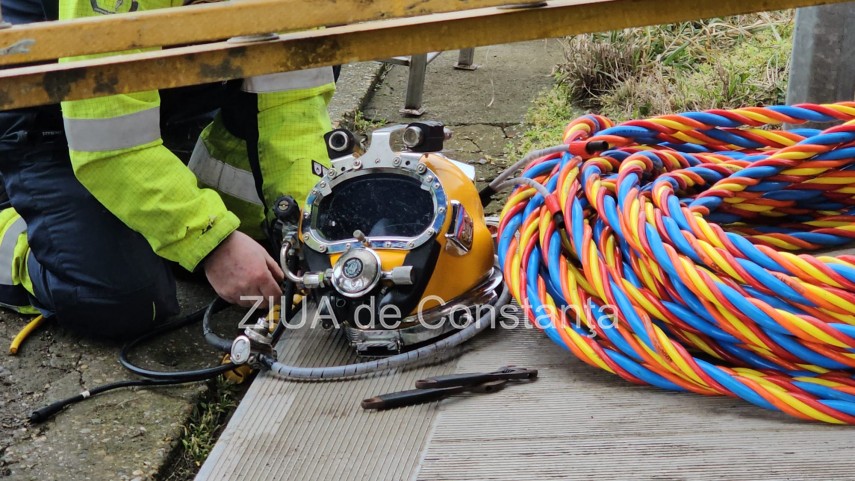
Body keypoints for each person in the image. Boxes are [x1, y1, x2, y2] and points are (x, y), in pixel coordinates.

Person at [0, 0, 335, 339]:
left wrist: (307, 223)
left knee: (322, 40)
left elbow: (291, 102)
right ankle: (15, 232)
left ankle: (186, 184)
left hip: (164, 83)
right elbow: (108, 137)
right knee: (122, 301)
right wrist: (211, 241)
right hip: (52, 115)